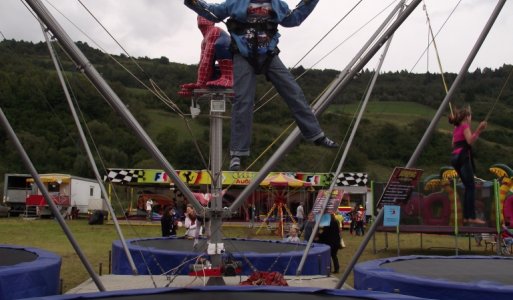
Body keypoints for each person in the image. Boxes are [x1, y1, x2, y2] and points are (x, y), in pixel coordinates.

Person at [184, 0, 339, 171]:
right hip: (244, 55)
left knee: (293, 92)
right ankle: (237, 152)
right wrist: (194, 3)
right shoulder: (237, 3)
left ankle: (315, 134)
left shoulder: (277, 4)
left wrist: (310, 2)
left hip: (268, 55)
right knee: (243, 100)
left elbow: (294, 19)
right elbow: (213, 12)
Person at [448, 106, 487, 224]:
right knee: (471, 187)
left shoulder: (456, 128)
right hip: (463, 157)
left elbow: (453, 144)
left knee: (468, 186)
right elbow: (470, 141)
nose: (471, 118)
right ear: (466, 117)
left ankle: (466, 217)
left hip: (455, 158)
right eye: (470, 116)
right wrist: (479, 130)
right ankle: (471, 217)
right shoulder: (464, 126)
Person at [178, 16, 233, 97]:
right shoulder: (204, 40)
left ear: (213, 21)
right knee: (204, 62)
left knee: (220, 44)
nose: (201, 17)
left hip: (233, 63)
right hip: (222, 67)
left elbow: (207, 60)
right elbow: (203, 62)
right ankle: (218, 79)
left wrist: (200, 84)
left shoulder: (214, 31)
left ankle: (228, 78)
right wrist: (199, 85)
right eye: (199, 16)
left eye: (205, 15)